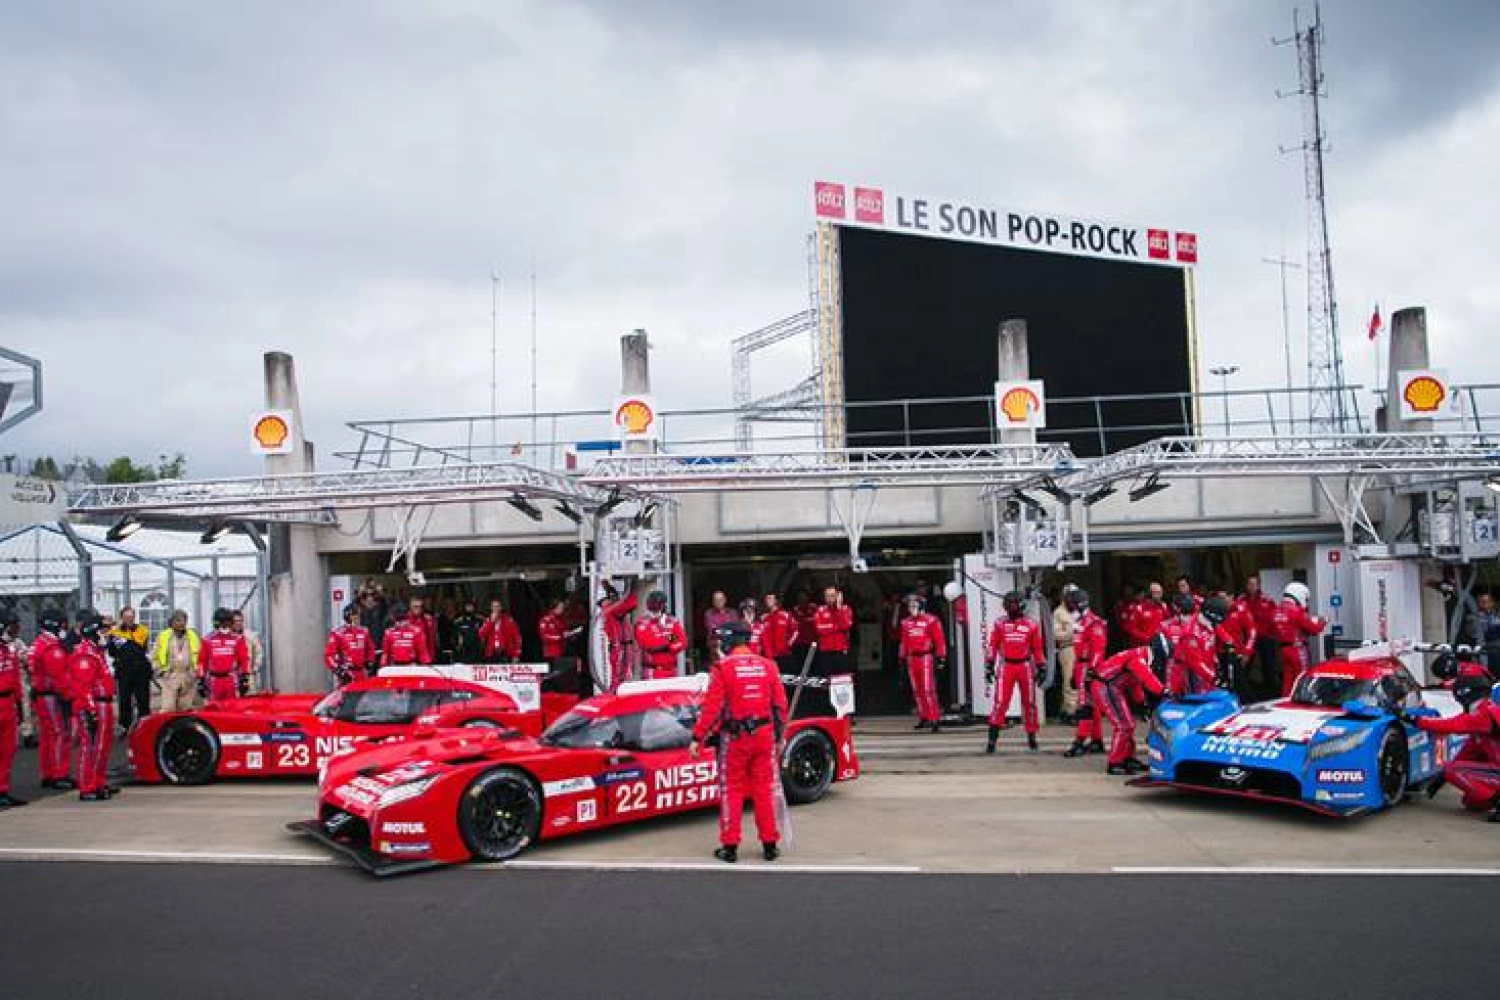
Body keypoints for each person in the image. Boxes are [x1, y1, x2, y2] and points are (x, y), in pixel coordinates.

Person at [688, 621, 788, 864]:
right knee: (763, 789)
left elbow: (712, 708)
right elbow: (780, 707)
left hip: (735, 739)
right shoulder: (768, 666)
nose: (720, 645)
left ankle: (730, 846)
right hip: (764, 736)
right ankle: (770, 844)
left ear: (731, 641)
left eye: (723, 641)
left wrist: (697, 737)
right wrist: (780, 737)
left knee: (731, 790)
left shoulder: (723, 667)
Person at [1412, 676, 1500, 821]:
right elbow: (1468, 752)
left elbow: (1453, 724)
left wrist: (1417, 721)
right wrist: (1443, 777)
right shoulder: (1484, 716)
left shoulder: (1485, 714)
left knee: (1451, 769)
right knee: (1472, 802)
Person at [1090, 637, 1168, 775]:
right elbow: (1147, 678)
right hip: (1105, 687)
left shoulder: (1139, 655)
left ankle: (1127, 757)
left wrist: (1142, 703)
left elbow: (1134, 683)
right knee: (1124, 725)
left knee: (1127, 724)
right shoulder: (1139, 659)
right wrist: (1164, 691)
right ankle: (1115, 762)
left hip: (1110, 687)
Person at [66, 613, 117, 802]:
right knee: (90, 746)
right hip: (93, 704)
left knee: (102, 746)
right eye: (103, 630)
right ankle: (87, 786)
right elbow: (83, 687)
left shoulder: (97, 652)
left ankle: (98, 781)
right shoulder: (85, 654)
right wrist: (90, 711)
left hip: (104, 702)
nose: (107, 633)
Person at [985, 590, 1043, 753]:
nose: (1009, 607)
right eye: (1007, 603)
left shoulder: (1031, 624)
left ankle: (1032, 736)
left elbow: (1037, 649)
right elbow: (992, 646)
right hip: (1006, 666)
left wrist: (1041, 667)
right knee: (1001, 702)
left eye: (1013, 603)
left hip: (1025, 666)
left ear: (1021, 605)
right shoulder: (999, 624)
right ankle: (992, 739)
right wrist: (989, 665)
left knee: (1029, 703)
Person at [28, 608, 74, 790]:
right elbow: (59, 675)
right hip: (51, 695)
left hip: (40, 694)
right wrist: (69, 695)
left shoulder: (38, 643)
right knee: (59, 734)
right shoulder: (51, 646)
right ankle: (58, 774)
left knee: (47, 735)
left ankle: (47, 772)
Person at [1062, 589, 1107, 758]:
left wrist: (1091, 673)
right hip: (1081, 665)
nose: (1068, 606)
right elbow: (1078, 649)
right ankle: (1097, 741)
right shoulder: (1080, 622)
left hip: (1090, 667)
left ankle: (1079, 742)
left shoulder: (1094, 623)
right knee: (1092, 706)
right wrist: (1075, 672)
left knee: (1085, 706)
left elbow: (1098, 650)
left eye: (1071, 603)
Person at [898, 593, 946, 733]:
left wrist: (941, 657)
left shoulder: (931, 620)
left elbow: (939, 640)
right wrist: (901, 658)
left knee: (928, 689)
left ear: (921, 606)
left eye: (914, 605)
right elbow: (904, 641)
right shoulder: (905, 622)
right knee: (916, 690)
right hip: (911, 658)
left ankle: (935, 719)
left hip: (926, 657)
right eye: (909, 605)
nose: (911, 608)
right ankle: (923, 716)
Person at [1269, 581, 1325, 697]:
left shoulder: (1275, 611)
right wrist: (1322, 622)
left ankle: (1286, 702)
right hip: (1297, 649)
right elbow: (1314, 629)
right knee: (1302, 678)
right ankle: (1302, 703)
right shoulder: (1296, 611)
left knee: (1287, 681)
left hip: (1282, 650)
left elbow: (1272, 631)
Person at [1160, 594, 1217, 697]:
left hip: (1202, 669)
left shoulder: (1202, 623)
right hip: (1180, 669)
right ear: (1175, 608)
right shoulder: (1166, 626)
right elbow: (1165, 655)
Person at [106, 606, 152, 732]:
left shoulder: (142, 630)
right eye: (126, 617)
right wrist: (119, 642)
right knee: (124, 701)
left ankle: (145, 726)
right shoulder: (114, 632)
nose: (129, 619)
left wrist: (123, 643)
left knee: (143, 700)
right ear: (122, 617)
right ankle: (125, 726)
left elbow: (139, 649)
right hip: (123, 671)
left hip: (140, 671)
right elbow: (112, 652)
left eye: (131, 617)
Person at [0, 609, 26, 808]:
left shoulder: (8, 650)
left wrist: (18, 703)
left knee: (8, 749)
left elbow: (15, 678)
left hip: (8, 702)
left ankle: (2, 789)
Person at [198, 608, 250, 702]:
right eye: (222, 623)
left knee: (233, 709)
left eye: (227, 623)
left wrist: (245, 678)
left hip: (231, 680)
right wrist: (201, 680)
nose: (225, 626)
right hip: (214, 681)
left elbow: (244, 660)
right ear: (216, 623)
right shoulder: (207, 640)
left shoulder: (238, 639)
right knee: (214, 709)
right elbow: (202, 662)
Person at [152, 610, 201, 712]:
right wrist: (160, 671)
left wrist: (195, 673)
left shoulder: (193, 636)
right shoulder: (164, 636)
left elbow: (200, 656)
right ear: (172, 622)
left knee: (186, 709)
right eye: (178, 620)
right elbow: (155, 656)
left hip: (188, 677)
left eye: (183, 620)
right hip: (170, 676)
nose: (181, 623)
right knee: (168, 709)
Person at [634, 591, 687, 680]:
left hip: (671, 670)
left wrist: (669, 644)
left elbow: (682, 642)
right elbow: (648, 644)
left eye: (659, 604)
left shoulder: (672, 621)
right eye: (653, 603)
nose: (656, 606)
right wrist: (668, 641)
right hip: (652, 671)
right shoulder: (642, 623)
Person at [1242, 574, 1280, 697]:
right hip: (1248, 638)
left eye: (1254, 584)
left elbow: (1275, 619)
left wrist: (1275, 636)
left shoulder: (1267, 600)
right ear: (1246, 585)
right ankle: (1244, 694)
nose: (1252, 587)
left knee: (1268, 667)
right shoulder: (1242, 600)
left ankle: (1271, 695)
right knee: (1244, 666)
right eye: (1250, 584)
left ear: (1259, 585)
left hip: (1265, 638)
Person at [1216, 589, 1258, 698]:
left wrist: (1247, 651)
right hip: (1220, 653)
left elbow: (1252, 630)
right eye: (1219, 598)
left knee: (1240, 683)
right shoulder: (1216, 611)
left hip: (1237, 654)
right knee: (1223, 684)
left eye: (1223, 598)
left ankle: (1250, 703)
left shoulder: (1241, 609)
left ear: (1231, 597)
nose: (1221, 601)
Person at [598, 582, 638, 691]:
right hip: (621, 648)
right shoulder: (612, 609)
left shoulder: (669, 623)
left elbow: (678, 642)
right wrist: (632, 586)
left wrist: (671, 644)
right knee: (621, 678)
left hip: (668, 665)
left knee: (622, 677)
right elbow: (631, 603)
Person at [324, 604, 376, 685]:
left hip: (361, 673)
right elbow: (329, 655)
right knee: (346, 697)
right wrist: (339, 671)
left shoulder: (364, 631)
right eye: (355, 615)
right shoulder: (338, 633)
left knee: (363, 697)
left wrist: (369, 662)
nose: (358, 617)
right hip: (347, 674)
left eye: (358, 615)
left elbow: (370, 648)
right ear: (348, 616)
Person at [813, 586, 854, 676]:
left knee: (843, 680)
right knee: (826, 681)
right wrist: (836, 626)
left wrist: (839, 609)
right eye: (827, 596)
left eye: (832, 596)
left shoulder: (846, 609)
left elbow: (846, 626)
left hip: (841, 651)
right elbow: (819, 629)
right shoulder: (820, 610)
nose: (829, 598)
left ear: (837, 596)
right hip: (825, 652)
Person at [1052, 588, 1079, 721]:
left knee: (1081, 679)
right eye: (1071, 596)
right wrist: (1071, 632)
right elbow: (1055, 634)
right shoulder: (1059, 612)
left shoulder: (1079, 609)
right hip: (1067, 648)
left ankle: (1068, 708)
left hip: (1082, 648)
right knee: (1070, 679)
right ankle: (1071, 711)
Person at [760, 594, 797, 671]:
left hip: (784, 654)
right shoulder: (763, 618)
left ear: (776, 601)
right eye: (766, 599)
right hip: (769, 656)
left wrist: (789, 644)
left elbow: (796, 631)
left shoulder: (786, 615)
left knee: (785, 679)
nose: (768, 601)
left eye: (770, 599)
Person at [479, 598, 522, 663]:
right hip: (491, 653)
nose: (495, 609)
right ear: (491, 608)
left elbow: (517, 638)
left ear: (501, 608)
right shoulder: (487, 620)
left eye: (497, 606)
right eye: (494, 607)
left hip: (505, 652)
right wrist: (491, 621)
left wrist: (516, 654)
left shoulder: (509, 620)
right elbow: (481, 634)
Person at [231, 611, 263, 692]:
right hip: (232, 676)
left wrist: (255, 668)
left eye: (240, 621)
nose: (238, 623)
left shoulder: (250, 635)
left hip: (248, 675)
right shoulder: (227, 637)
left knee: (249, 699)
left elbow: (259, 653)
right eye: (235, 621)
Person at [702, 591, 737, 662]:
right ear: (713, 602)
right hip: (715, 648)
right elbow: (714, 630)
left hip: (731, 647)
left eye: (720, 599)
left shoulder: (732, 613)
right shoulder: (709, 613)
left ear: (725, 600)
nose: (718, 602)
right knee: (717, 669)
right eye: (716, 600)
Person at [451, 599, 485, 663]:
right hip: (463, 653)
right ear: (464, 607)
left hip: (476, 652)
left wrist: (482, 647)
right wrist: (457, 646)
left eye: (471, 606)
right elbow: (454, 636)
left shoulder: (480, 620)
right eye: (467, 606)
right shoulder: (458, 621)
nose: (469, 608)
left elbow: (483, 636)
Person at [407, 598, 439, 663]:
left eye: (421, 606)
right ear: (410, 607)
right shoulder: (405, 620)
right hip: (410, 656)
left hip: (427, 655)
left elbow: (434, 636)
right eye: (415, 606)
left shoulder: (429, 619)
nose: (419, 609)